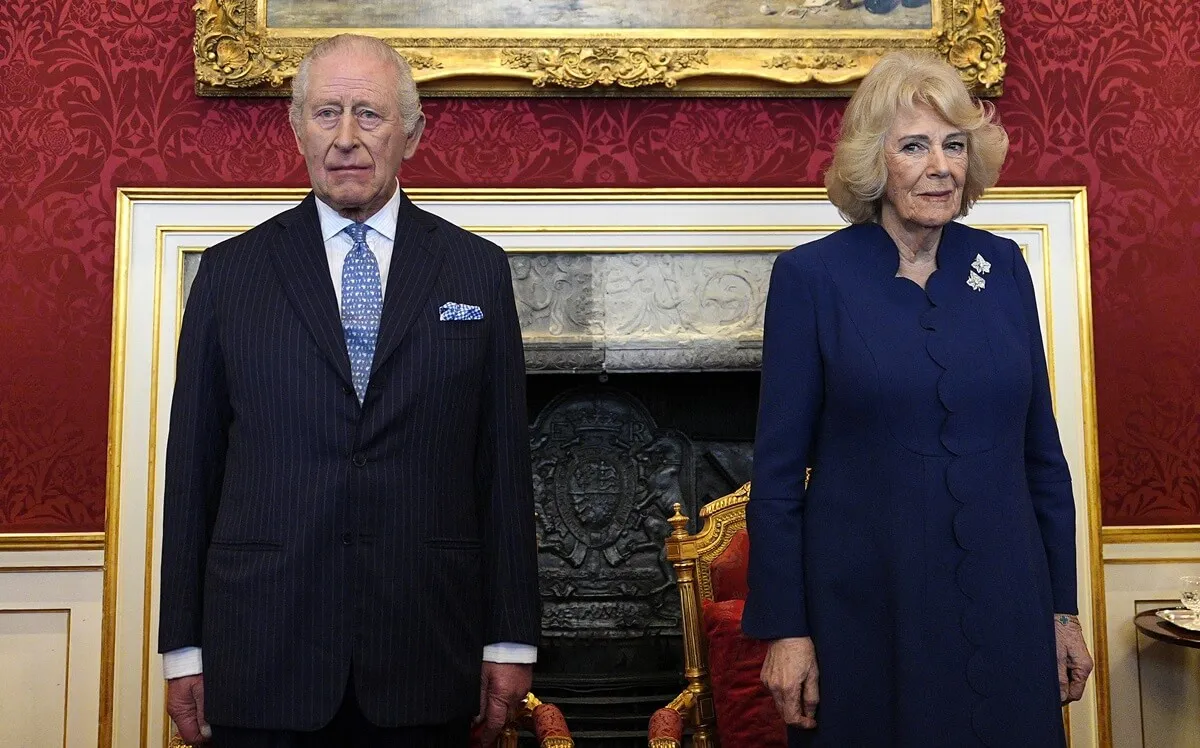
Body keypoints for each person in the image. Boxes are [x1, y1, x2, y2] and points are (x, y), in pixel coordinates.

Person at [158, 34, 540, 748]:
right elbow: (192, 475)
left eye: (368, 114)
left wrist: (510, 642)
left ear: (413, 133)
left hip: (427, 653)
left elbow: (503, 472)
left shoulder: (476, 272)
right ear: (296, 128)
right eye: (326, 112)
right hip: (263, 656)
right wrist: (183, 649)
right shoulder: (229, 276)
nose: (345, 138)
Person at [742, 51, 1094, 746]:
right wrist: (786, 629)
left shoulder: (1002, 268)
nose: (940, 166)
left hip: (1007, 604)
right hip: (869, 611)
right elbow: (778, 478)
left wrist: (1061, 611)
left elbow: (1042, 458)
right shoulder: (812, 278)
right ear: (874, 162)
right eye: (915, 146)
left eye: (954, 145)